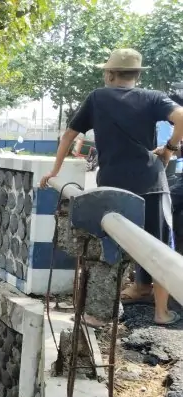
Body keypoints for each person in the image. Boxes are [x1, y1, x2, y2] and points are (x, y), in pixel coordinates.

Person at [40, 48, 183, 326]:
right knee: (158, 246)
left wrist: (55, 170)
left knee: (110, 248)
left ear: (109, 73)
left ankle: (100, 314)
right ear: (137, 75)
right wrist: (170, 148)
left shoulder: (97, 97)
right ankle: (161, 313)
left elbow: (69, 136)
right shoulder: (152, 97)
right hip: (151, 182)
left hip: (113, 185)